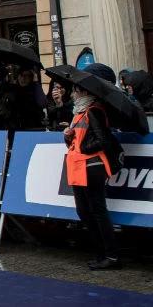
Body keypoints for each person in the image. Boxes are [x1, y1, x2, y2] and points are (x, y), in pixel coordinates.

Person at [63, 79, 122, 270]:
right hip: (80, 166)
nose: (72, 95)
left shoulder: (94, 111)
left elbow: (103, 140)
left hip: (91, 166)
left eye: (74, 92)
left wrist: (84, 147)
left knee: (97, 210)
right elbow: (75, 142)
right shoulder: (79, 115)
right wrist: (67, 136)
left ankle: (111, 255)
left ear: (82, 93)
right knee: (85, 211)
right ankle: (101, 253)